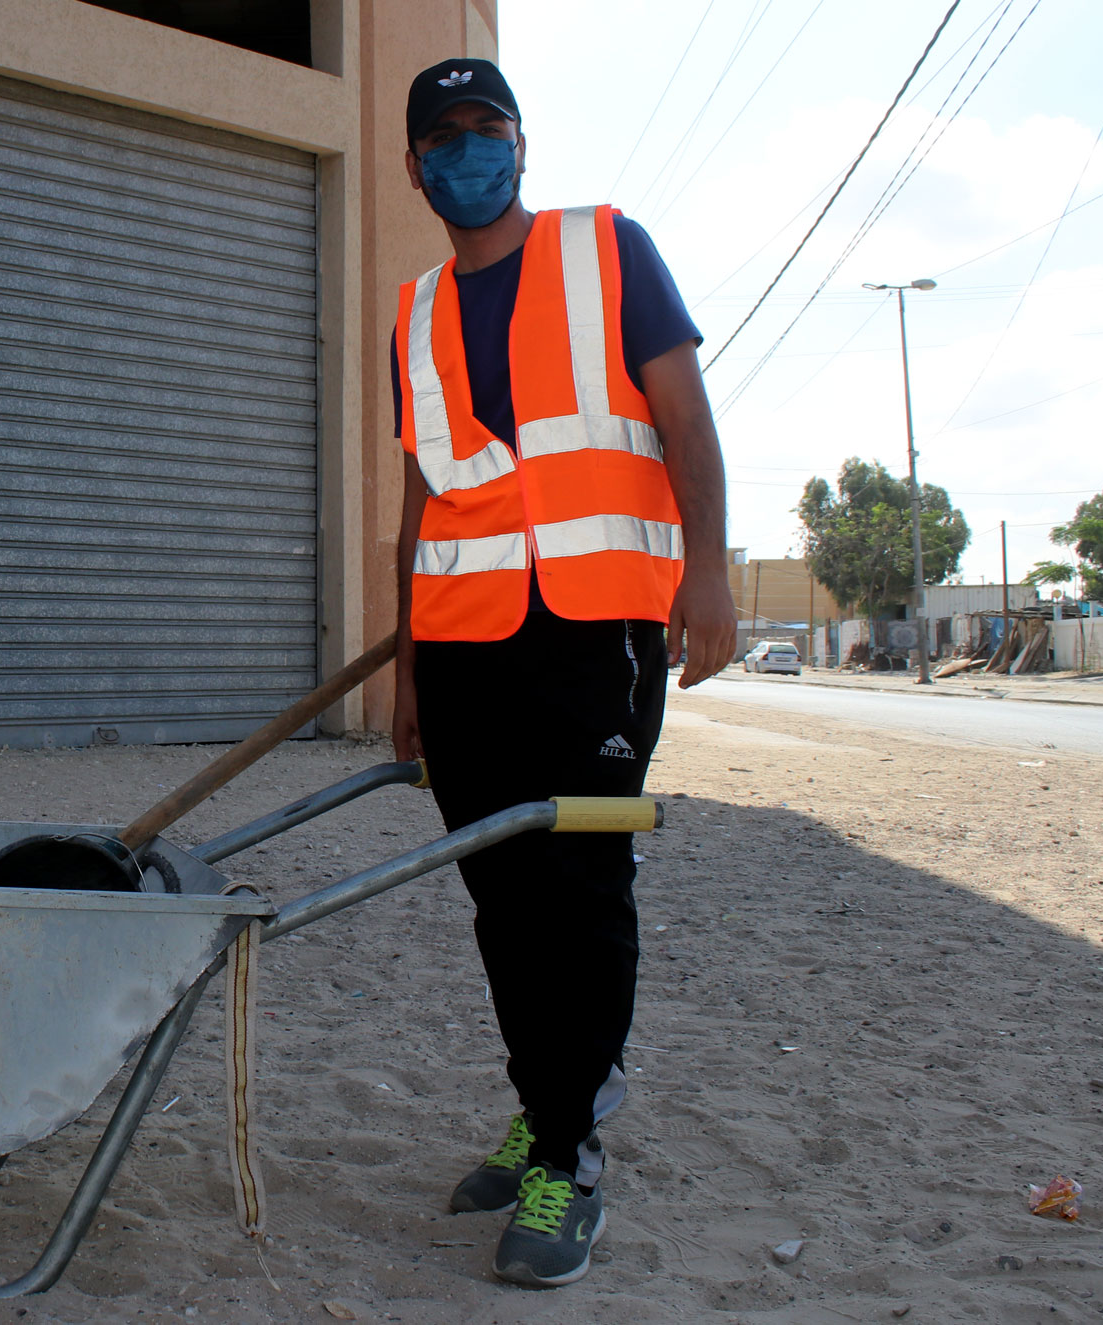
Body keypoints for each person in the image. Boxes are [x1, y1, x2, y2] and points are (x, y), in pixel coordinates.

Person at [387, 57, 736, 1288]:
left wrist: (709, 571)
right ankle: (550, 1105)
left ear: (520, 145)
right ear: (416, 164)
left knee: (576, 882)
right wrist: (407, 666)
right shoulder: (416, 308)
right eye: (442, 135)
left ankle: (567, 1151)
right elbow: (426, 497)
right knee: (496, 892)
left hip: (598, 629)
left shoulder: (608, 251)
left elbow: (683, 418)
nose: (465, 150)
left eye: (485, 127)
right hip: (467, 635)